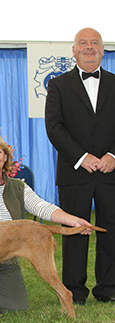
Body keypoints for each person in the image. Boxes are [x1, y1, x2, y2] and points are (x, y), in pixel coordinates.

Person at [0, 133, 93, 314]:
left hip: (4, 263)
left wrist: (73, 221)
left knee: (15, 307)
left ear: (6, 157)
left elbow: (42, 207)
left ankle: (2, 292)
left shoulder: (19, 187)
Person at [45, 28, 115, 305]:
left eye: (94, 43)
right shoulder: (58, 85)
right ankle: (74, 290)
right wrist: (81, 157)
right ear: (73, 51)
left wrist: (113, 155)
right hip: (74, 172)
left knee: (111, 228)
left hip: (112, 171)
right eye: (83, 43)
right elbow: (54, 127)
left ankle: (108, 287)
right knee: (75, 231)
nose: (89, 47)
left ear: (103, 50)